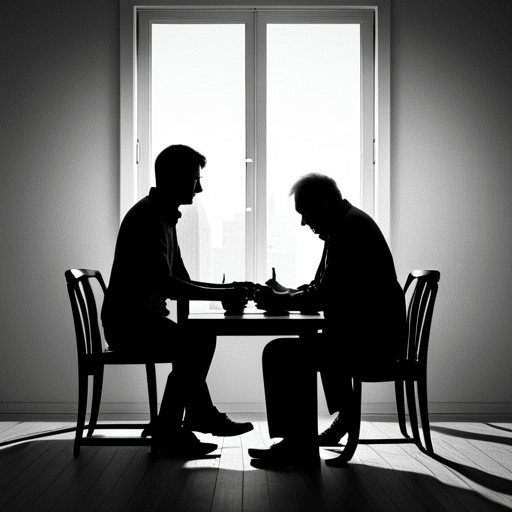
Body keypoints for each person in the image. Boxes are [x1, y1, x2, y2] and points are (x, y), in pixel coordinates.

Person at [101, 144, 253, 456]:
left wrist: (228, 289)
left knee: (198, 339)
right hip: (129, 325)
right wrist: (225, 293)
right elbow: (168, 285)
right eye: (194, 179)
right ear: (171, 176)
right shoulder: (149, 218)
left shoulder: (163, 216)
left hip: (141, 321)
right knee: (195, 343)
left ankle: (174, 424)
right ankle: (188, 420)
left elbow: (180, 280)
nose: (200, 187)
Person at [248, 173, 406, 467]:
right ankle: (328, 423)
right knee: (302, 347)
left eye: (304, 213)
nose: (303, 223)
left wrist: (281, 300)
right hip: (369, 333)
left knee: (281, 353)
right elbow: (324, 286)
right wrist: (286, 292)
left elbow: (325, 295)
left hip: (373, 342)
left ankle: (298, 444)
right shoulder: (344, 223)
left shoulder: (349, 228)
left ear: (322, 202)